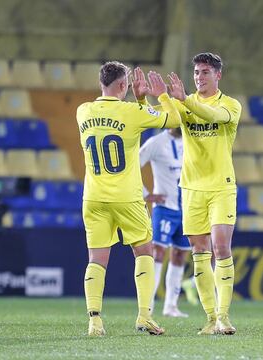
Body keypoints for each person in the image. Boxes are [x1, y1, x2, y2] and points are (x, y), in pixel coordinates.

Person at [76, 61, 181, 336]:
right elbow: (173, 119)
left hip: (94, 197)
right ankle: (145, 316)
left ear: (102, 82)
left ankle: (94, 321)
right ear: (124, 86)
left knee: (96, 259)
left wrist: (138, 100)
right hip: (127, 197)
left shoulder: (83, 111)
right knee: (144, 252)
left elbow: (125, 120)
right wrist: (160, 96)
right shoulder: (132, 112)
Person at [167, 53, 242, 335]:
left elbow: (212, 116)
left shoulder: (230, 105)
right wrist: (157, 98)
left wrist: (184, 100)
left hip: (221, 187)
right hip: (191, 188)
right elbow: (164, 120)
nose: (200, 77)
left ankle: (224, 315)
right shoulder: (184, 104)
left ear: (218, 75)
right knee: (199, 251)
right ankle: (211, 318)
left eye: (206, 72)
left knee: (221, 247)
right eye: (197, 72)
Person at [140, 127, 197, 317]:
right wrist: (146, 194)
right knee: (157, 252)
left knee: (180, 254)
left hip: (187, 209)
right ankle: (147, 306)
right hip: (165, 209)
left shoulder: (192, 140)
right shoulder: (156, 143)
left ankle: (170, 306)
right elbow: (132, 166)